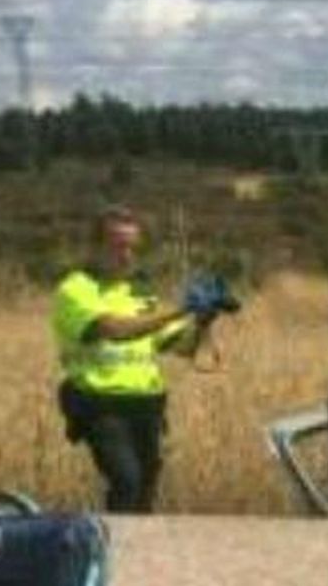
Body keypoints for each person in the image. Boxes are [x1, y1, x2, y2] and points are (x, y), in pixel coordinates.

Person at [50, 204, 229, 513]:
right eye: (118, 247)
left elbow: (181, 346)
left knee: (146, 486)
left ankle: (136, 541)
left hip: (147, 404)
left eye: (133, 248)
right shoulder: (76, 289)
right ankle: (115, 540)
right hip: (100, 403)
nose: (127, 256)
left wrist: (204, 319)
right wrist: (180, 310)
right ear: (94, 247)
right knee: (126, 481)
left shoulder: (140, 293)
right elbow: (114, 330)